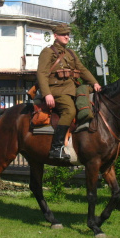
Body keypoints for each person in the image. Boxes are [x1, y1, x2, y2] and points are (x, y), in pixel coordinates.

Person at [36, 23, 101, 161]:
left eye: (68, 34)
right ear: (55, 36)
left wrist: (94, 82)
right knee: (69, 111)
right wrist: (47, 93)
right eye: (63, 34)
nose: (67, 37)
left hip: (72, 89)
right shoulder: (48, 52)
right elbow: (41, 73)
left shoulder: (70, 53)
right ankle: (56, 148)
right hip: (56, 91)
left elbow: (82, 69)